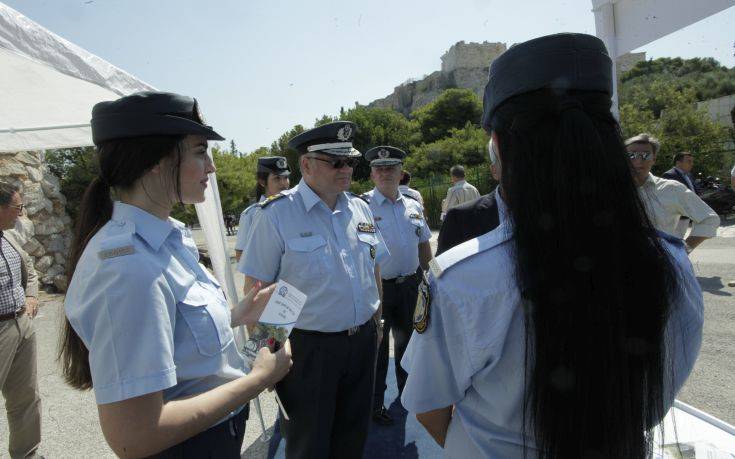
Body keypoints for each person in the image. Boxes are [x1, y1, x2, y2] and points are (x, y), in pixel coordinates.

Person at [400, 33, 704, 458]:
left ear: (501, 147)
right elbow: (655, 397)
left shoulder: (463, 280)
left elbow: (430, 409)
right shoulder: (670, 264)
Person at [59, 92, 292, 458]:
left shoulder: (167, 238)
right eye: (200, 152)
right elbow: (135, 436)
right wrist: (258, 378)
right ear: (157, 160)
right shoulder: (127, 266)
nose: (212, 168)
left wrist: (237, 315)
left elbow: (170, 330)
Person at [240, 121, 388, 458]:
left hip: (362, 340)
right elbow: (256, 293)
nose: (346, 169)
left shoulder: (360, 208)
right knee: (309, 445)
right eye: (336, 162)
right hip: (308, 350)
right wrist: (268, 358)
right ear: (306, 165)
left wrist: (377, 324)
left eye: (350, 162)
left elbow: (373, 267)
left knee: (353, 437)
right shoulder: (276, 215)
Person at [361, 146, 432, 425]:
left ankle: (408, 395)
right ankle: (375, 405)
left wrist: (433, 278)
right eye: (379, 168)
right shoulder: (361, 206)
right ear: (371, 175)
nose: (385, 173)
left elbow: (424, 244)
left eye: (391, 167)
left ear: (401, 172)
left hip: (410, 286)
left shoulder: (413, 205)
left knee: (409, 345)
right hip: (378, 289)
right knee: (377, 350)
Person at [0, 182, 41, 459]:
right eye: (18, 207)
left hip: (21, 325)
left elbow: (30, 270)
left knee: (25, 397)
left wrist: (31, 296)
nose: (21, 213)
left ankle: (27, 454)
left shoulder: (9, 237)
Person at [626, 133, 719, 247]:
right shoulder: (610, 190)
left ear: (654, 159)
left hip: (658, 262)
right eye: (632, 155)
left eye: (645, 155)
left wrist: (682, 251)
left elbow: (709, 219)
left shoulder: (671, 189)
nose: (638, 160)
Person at [436, 138, 503, 256]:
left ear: (453, 177)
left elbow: (447, 209)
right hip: (477, 226)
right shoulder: (473, 188)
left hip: (460, 228)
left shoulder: (453, 190)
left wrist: (443, 205)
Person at [234, 156, 291, 262]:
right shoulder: (250, 215)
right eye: (277, 178)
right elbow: (241, 255)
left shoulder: (295, 210)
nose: (284, 183)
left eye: (286, 177)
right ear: (262, 182)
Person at [662, 152, 697, 237]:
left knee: (680, 237)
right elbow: (666, 196)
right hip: (676, 216)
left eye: (692, 161)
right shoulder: (669, 175)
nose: (691, 164)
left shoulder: (689, 175)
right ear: (678, 163)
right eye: (688, 161)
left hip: (687, 214)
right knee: (673, 238)